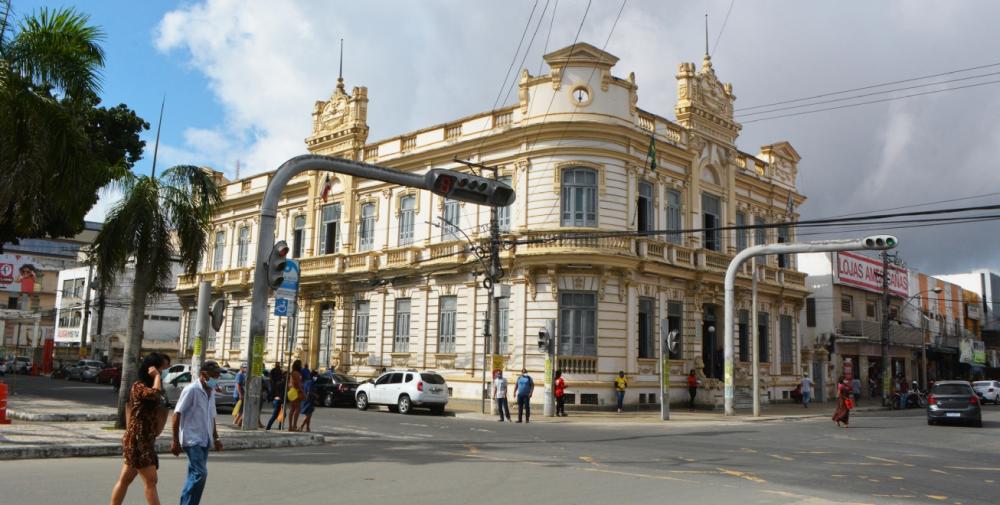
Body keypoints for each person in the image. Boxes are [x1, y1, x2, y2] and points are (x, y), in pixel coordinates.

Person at [110, 352, 171, 505]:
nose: (161, 373)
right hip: (138, 441)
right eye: (159, 369)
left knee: (125, 479)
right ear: (151, 369)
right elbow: (154, 395)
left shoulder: (148, 386)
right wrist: (157, 377)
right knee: (151, 481)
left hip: (143, 440)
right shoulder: (139, 386)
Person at [171, 360, 224, 505]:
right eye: (214, 375)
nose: (216, 379)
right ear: (203, 375)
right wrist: (175, 441)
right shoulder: (192, 390)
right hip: (191, 438)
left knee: (193, 475)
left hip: (204, 439)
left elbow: (211, 416)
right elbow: (177, 414)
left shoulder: (211, 391)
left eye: (218, 376)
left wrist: (216, 438)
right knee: (200, 474)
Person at [265, 363, 285, 431]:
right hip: (279, 400)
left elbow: (272, 393)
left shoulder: (273, 383)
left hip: (276, 400)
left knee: (280, 414)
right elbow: (280, 393)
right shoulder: (279, 383)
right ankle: (269, 427)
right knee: (276, 414)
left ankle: (275, 427)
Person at [287, 360, 305, 431]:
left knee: (292, 409)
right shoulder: (297, 373)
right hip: (296, 393)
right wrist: (302, 391)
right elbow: (298, 384)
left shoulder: (292, 373)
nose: (301, 366)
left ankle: (290, 426)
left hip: (292, 392)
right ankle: (294, 426)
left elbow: (290, 384)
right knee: (297, 409)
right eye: (300, 364)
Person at [232, 363, 247, 427]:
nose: (246, 369)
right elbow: (237, 385)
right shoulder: (239, 375)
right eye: (244, 367)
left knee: (240, 411)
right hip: (238, 395)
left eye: (246, 367)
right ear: (241, 368)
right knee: (240, 411)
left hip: (241, 394)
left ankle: (236, 423)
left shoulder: (243, 374)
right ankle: (236, 423)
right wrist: (240, 394)